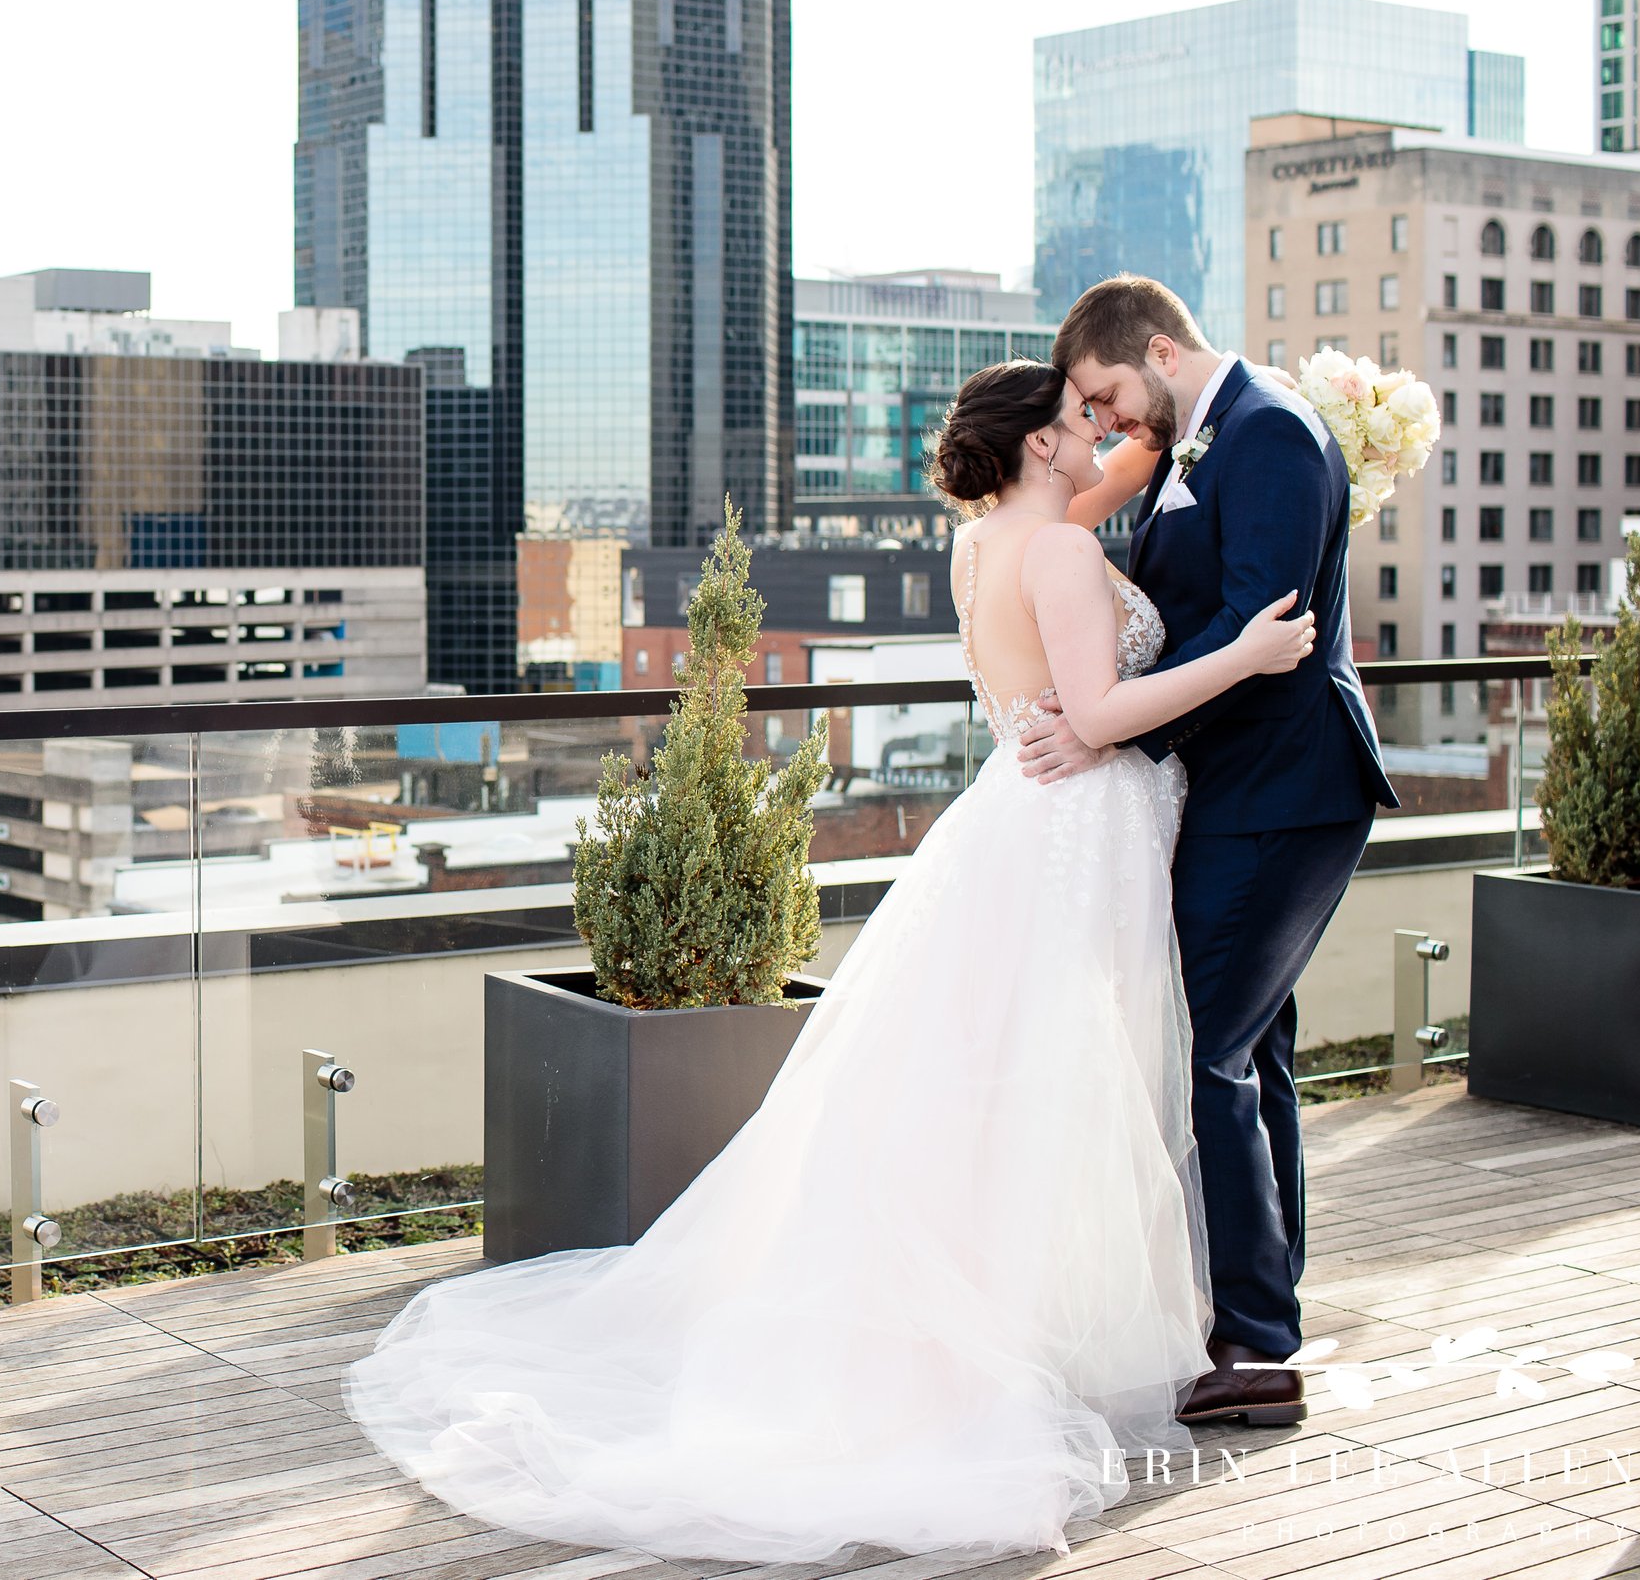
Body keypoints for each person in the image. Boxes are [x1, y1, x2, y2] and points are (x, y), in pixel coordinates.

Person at [338, 358, 1317, 1565]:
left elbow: (1120, 477)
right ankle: (996, 1346)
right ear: (1034, 446)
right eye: (1073, 419)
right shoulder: (1058, 550)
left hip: (1020, 822)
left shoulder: (987, 542)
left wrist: (1176, 419)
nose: (1093, 431)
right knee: (1045, 1090)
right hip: (1073, 829)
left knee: (985, 1093)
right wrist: (1248, 656)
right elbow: (1100, 713)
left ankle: (998, 1327)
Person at [1028, 276, 1400, 1425]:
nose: (1101, 420)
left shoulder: (1273, 429)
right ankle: (1260, 1309)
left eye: (1102, 394)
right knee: (1254, 1046)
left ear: (1152, 348)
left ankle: (1254, 1341)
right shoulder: (1200, 444)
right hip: (1238, 789)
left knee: (1206, 1047)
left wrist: (1106, 733)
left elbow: (1267, 634)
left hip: (1288, 788)